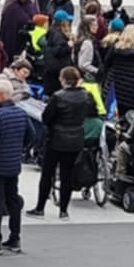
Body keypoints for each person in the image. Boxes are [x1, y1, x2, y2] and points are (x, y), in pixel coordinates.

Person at [0, 79, 39, 254]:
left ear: (2, 94)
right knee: (13, 201)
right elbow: (32, 135)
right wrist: (20, 150)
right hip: (13, 165)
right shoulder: (21, 113)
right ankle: (14, 238)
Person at [33, 67, 94, 218]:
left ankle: (40, 207)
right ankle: (64, 210)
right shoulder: (86, 95)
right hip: (76, 138)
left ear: (63, 80)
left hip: (56, 138)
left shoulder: (58, 96)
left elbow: (46, 118)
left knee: (47, 173)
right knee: (67, 174)